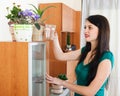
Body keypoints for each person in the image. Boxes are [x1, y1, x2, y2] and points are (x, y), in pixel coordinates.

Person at [46, 15, 114, 96]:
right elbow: (60, 56)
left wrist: (62, 82)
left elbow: (90, 92)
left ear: (101, 30)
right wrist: (55, 39)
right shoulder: (85, 51)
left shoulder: (106, 58)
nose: (85, 31)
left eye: (90, 27)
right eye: (85, 27)